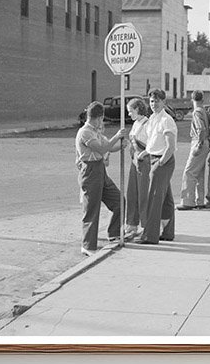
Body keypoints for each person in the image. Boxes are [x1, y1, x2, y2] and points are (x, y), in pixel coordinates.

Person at [75, 101, 128, 256]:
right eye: (101, 119)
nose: (101, 122)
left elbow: (109, 146)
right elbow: (102, 148)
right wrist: (117, 136)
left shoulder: (95, 131)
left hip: (100, 170)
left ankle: (113, 233)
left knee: (119, 201)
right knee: (91, 209)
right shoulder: (85, 132)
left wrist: (121, 144)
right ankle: (88, 245)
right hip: (90, 171)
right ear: (98, 118)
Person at [139, 89, 177, 244]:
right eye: (152, 101)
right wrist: (145, 153)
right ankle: (168, 232)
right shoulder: (152, 119)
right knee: (166, 198)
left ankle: (150, 236)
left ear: (164, 102)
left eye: (157, 101)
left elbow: (170, 146)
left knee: (154, 198)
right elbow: (152, 142)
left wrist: (161, 162)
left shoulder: (166, 120)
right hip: (154, 158)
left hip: (163, 161)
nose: (154, 104)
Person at [178, 90, 210, 210]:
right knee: (199, 173)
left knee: (189, 172)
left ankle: (188, 201)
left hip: (198, 141)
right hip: (206, 142)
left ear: (192, 99)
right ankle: (199, 200)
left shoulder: (196, 112)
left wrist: (199, 144)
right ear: (202, 99)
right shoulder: (204, 111)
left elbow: (201, 129)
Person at [124, 98, 151, 235]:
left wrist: (144, 153)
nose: (129, 114)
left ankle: (146, 225)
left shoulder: (148, 124)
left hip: (144, 161)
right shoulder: (135, 124)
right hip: (134, 162)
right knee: (132, 192)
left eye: (131, 111)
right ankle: (131, 223)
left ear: (138, 109)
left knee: (143, 194)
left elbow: (153, 144)